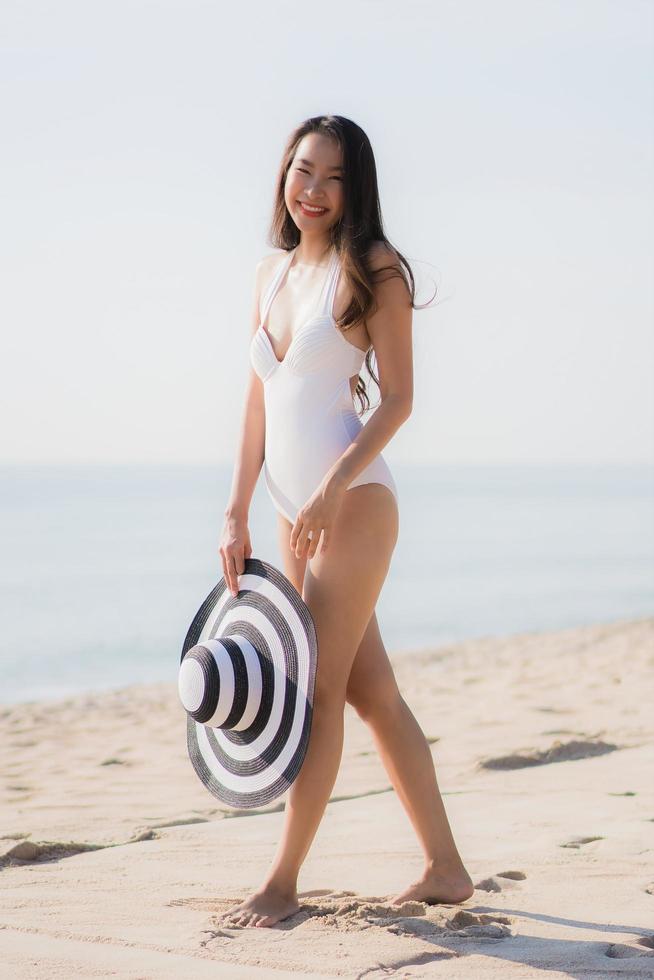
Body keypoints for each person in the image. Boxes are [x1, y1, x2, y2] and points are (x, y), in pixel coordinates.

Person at [218, 115, 474, 928]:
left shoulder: (374, 270)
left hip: (355, 504)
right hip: (296, 511)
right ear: (284, 176)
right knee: (372, 694)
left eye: (332, 177)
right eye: (302, 171)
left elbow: (398, 399)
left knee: (314, 693)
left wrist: (331, 487)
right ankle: (445, 867)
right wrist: (235, 510)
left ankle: (283, 880)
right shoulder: (271, 275)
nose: (313, 190)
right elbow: (259, 402)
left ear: (354, 188)